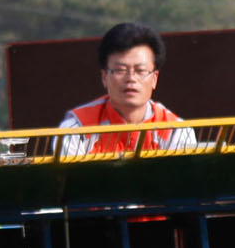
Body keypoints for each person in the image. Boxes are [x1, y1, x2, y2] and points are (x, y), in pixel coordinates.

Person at [58, 22, 196, 157]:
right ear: (104, 77)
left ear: (154, 78)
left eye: (140, 70)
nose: (131, 78)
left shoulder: (176, 131)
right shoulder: (76, 129)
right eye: (120, 70)